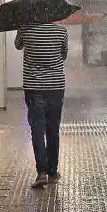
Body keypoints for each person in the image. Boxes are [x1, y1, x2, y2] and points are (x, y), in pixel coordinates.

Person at [14, 22, 68, 188]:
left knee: (37, 129)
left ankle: (42, 172)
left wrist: (22, 28)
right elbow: (63, 55)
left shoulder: (25, 28)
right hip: (55, 87)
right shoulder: (61, 31)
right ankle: (52, 170)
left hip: (34, 88)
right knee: (53, 129)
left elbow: (17, 45)